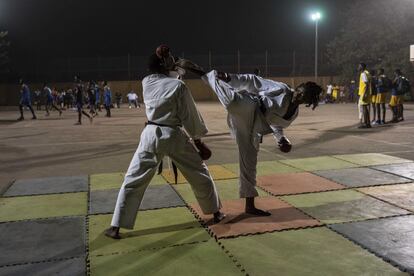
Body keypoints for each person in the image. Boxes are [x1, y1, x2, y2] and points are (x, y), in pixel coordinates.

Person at [105, 50, 224, 239]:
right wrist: (199, 142)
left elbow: (164, 77)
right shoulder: (178, 86)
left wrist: (169, 62)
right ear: (164, 66)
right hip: (174, 135)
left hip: (150, 136)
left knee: (133, 180)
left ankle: (116, 226)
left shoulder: (146, 82)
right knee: (199, 174)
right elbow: (189, 117)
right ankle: (216, 212)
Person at [178, 58, 322, 216]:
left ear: (308, 101)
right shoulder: (282, 89)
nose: (298, 96)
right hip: (248, 107)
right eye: (299, 92)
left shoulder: (293, 114)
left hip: (254, 128)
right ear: (298, 87)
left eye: (303, 97)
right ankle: (198, 70)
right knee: (230, 98)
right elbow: (255, 81)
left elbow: (276, 124)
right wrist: (229, 77)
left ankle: (250, 205)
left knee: (249, 162)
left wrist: (281, 139)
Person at [358, 63, 371, 128]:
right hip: (366, 92)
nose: (358, 67)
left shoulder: (363, 74)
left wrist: (365, 93)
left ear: (362, 67)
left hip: (364, 92)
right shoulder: (367, 73)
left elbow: (366, 83)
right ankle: (368, 123)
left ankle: (366, 123)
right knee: (365, 108)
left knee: (364, 108)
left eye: (359, 66)